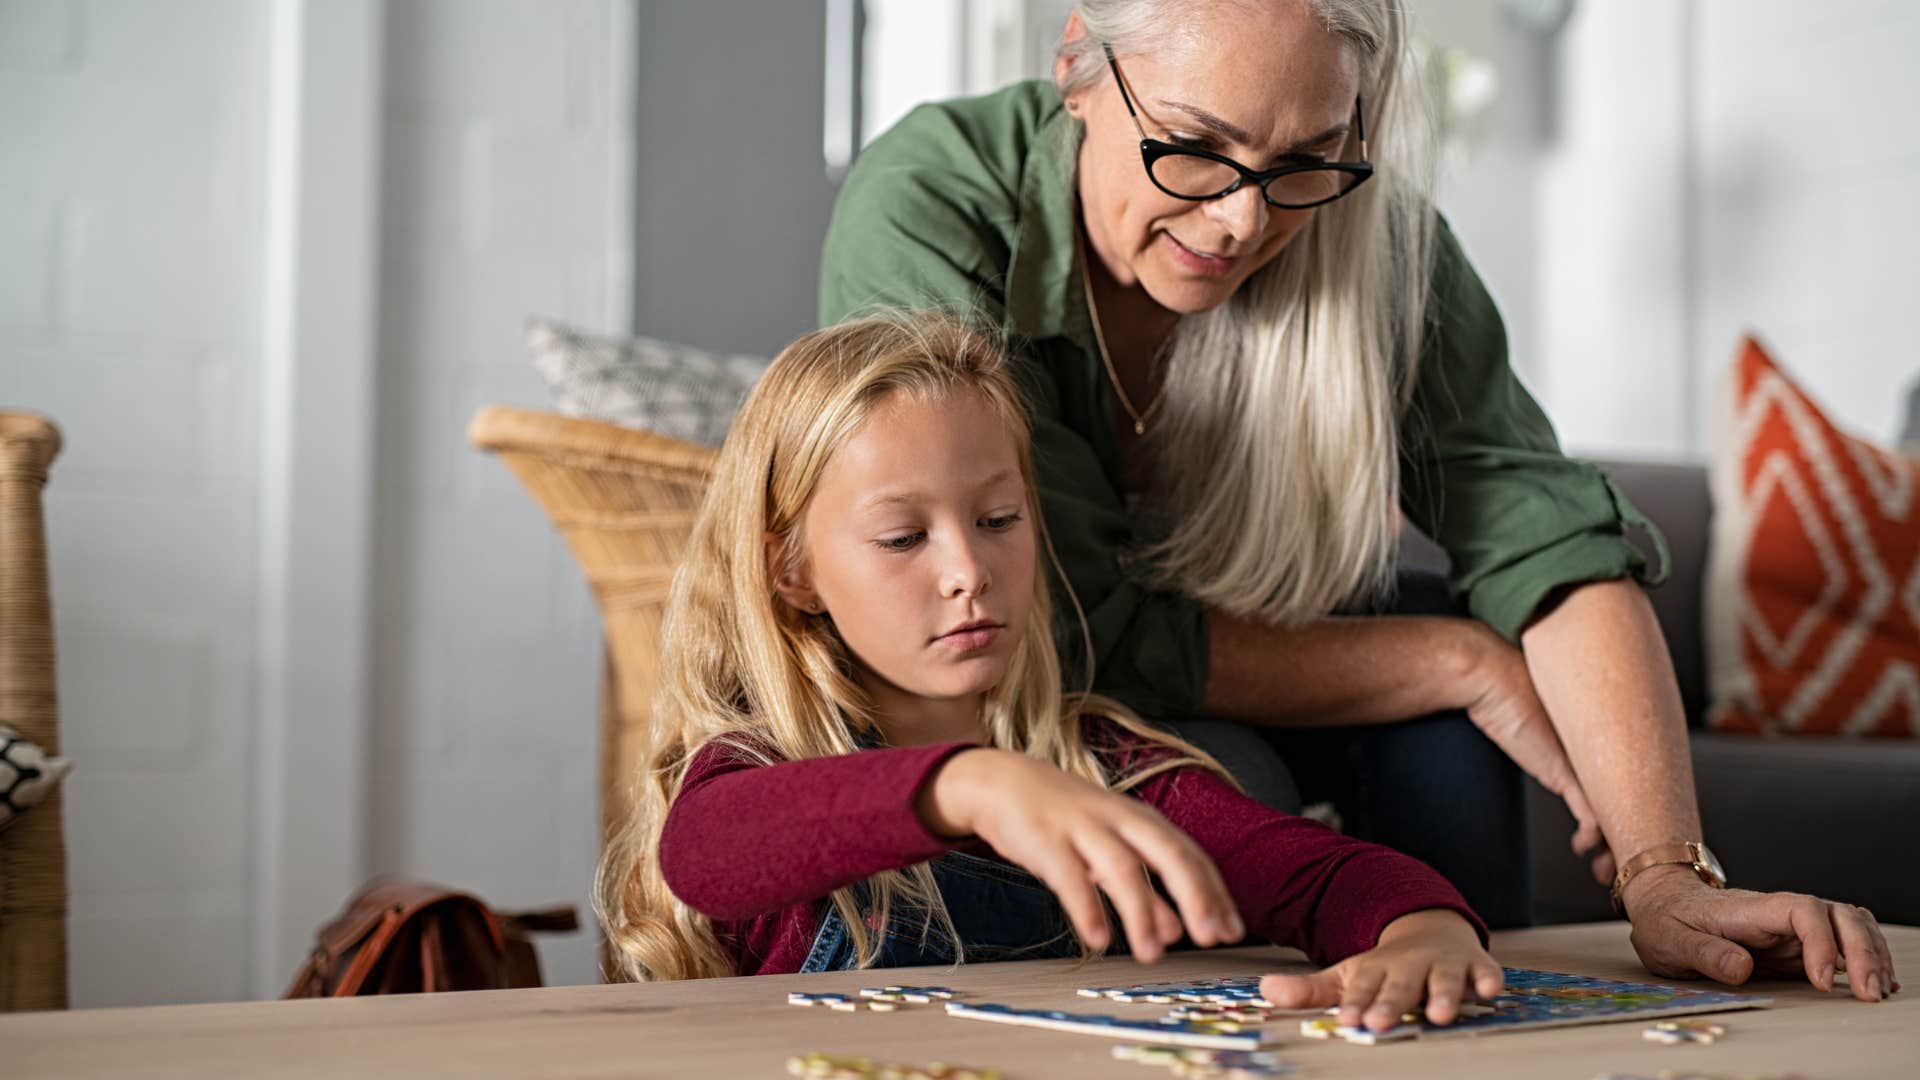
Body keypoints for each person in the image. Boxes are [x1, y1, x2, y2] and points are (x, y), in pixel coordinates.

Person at [817, 0, 1897, 998]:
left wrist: (1668, 877)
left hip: (1253, 642)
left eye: (1303, 162)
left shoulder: (1381, 242)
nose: (1243, 220)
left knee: (1442, 740)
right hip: (1025, 698)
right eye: (1194, 147)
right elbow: (1053, 626)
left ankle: (1482, 1024)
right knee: (1239, 774)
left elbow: (1548, 539)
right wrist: (1458, 659)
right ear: (1077, 68)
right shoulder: (932, 201)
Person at [595, 313, 1503, 1033]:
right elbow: (703, 852)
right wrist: (969, 785)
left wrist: (1423, 929)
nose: (968, 570)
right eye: (904, 537)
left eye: (997, 519)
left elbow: (1318, 877)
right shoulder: (755, 771)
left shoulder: (1107, 765)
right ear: (791, 571)